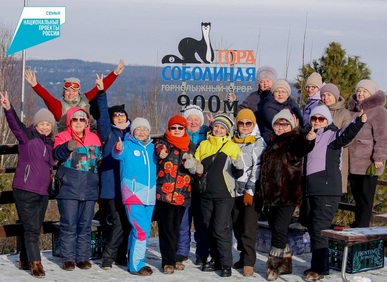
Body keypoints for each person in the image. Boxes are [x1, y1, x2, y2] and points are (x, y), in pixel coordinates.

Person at [303, 105, 367, 281]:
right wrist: (308, 140)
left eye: (321, 119)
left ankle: (320, 270)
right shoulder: (309, 135)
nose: (317, 122)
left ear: (327, 121)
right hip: (311, 190)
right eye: (314, 119)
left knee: (319, 228)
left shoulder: (332, 135)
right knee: (311, 226)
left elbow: (346, 134)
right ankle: (318, 264)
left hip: (327, 189)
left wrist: (358, 122)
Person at [0, 91, 56, 278]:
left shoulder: (50, 144)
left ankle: (24, 258)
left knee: (33, 225)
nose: (45, 127)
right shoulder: (27, 136)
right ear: (36, 124)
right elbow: (15, 125)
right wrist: (8, 108)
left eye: (48, 124)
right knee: (32, 228)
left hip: (42, 192)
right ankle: (36, 264)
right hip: (25, 189)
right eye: (42, 123)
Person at [260, 109, 315, 281]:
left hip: (287, 195)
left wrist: (308, 139)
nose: (281, 127)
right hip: (270, 197)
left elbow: (302, 147)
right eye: (278, 123)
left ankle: (273, 267)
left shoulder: (292, 140)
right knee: (277, 229)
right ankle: (286, 264)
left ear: (290, 126)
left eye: (285, 124)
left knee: (279, 231)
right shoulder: (271, 143)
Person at [194, 114, 244, 277]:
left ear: (227, 131)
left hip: (224, 194)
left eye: (222, 127)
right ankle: (215, 259)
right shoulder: (203, 145)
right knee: (208, 227)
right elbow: (197, 168)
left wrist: (238, 165)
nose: (218, 129)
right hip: (206, 194)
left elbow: (238, 172)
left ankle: (225, 264)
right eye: (216, 126)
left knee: (220, 228)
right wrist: (192, 165)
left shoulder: (232, 146)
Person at [53, 107, 102, 271]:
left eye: (82, 119)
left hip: (89, 187)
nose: (79, 122)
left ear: (87, 122)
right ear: (69, 121)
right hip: (69, 187)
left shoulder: (94, 138)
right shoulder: (62, 136)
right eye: (75, 119)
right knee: (68, 224)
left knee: (85, 224)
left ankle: (82, 257)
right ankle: (68, 258)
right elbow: (57, 155)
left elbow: (98, 163)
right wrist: (67, 146)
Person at [93, 74, 132, 269]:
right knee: (117, 223)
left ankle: (121, 257)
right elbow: (101, 113)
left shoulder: (131, 135)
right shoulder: (107, 131)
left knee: (126, 223)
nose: (120, 117)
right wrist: (101, 92)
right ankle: (108, 257)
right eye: (116, 115)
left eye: (122, 115)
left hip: (128, 187)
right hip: (111, 186)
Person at [24, 59, 125, 132]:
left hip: (90, 138)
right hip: (68, 142)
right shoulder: (59, 107)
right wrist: (35, 85)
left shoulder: (85, 99)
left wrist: (115, 73)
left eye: (74, 91)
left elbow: (100, 88)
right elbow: (46, 97)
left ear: (79, 92)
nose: (71, 93)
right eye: (68, 90)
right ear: (63, 92)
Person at [112, 117, 156, 276]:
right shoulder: (128, 146)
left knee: (141, 231)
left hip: (149, 197)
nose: (142, 132)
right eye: (139, 129)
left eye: (145, 129)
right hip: (133, 195)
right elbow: (117, 154)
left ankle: (133, 259)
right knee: (141, 230)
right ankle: (137, 266)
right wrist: (117, 148)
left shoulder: (152, 147)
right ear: (133, 131)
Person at [154, 115, 197, 274]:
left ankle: (174, 257)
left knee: (176, 228)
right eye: (174, 128)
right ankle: (168, 262)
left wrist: (195, 169)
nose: (177, 131)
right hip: (164, 194)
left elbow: (197, 171)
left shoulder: (191, 147)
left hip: (182, 194)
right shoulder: (162, 143)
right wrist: (161, 153)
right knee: (166, 229)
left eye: (180, 128)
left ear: (185, 129)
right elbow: (158, 151)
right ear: (169, 128)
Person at [347, 79, 387, 228]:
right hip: (353, 161)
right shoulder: (353, 111)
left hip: (368, 162)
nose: (360, 93)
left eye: (364, 91)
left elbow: (382, 137)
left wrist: (379, 157)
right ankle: (358, 222)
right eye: (359, 90)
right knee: (357, 195)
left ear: (371, 94)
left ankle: (362, 226)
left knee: (365, 197)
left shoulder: (379, 111)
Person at [231, 109, 266, 277]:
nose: (244, 126)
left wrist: (250, 190)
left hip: (250, 192)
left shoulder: (258, 142)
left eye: (248, 123)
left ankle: (249, 261)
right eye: (241, 123)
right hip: (233, 191)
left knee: (248, 227)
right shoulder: (232, 140)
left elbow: (257, 168)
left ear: (253, 125)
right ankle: (242, 255)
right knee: (237, 225)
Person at [176, 105, 211, 266]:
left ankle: (202, 253)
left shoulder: (207, 136)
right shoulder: (180, 136)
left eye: (196, 119)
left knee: (201, 220)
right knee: (183, 219)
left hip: (202, 184)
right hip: (183, 183)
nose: (193, 122)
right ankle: (182, 251)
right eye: (189, 119)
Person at [320, 83, 352, 193]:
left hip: (338, 157)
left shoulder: (344, 114)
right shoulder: (317, 111)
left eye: (329, 95)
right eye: (323, 95)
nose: (326, 98)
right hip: (318, 157)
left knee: (334, 191)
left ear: (335, 96)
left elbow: (348, 137)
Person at [258, 79, 304, 144]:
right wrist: (293, 125)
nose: (280, 94)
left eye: (283, 91)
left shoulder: (293, 105)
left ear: (288, 94)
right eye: (277, 91)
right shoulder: (268, 106)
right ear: (273, 93)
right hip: (273, 140)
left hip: (290, 139)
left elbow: (300, 122)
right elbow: (279, 123)